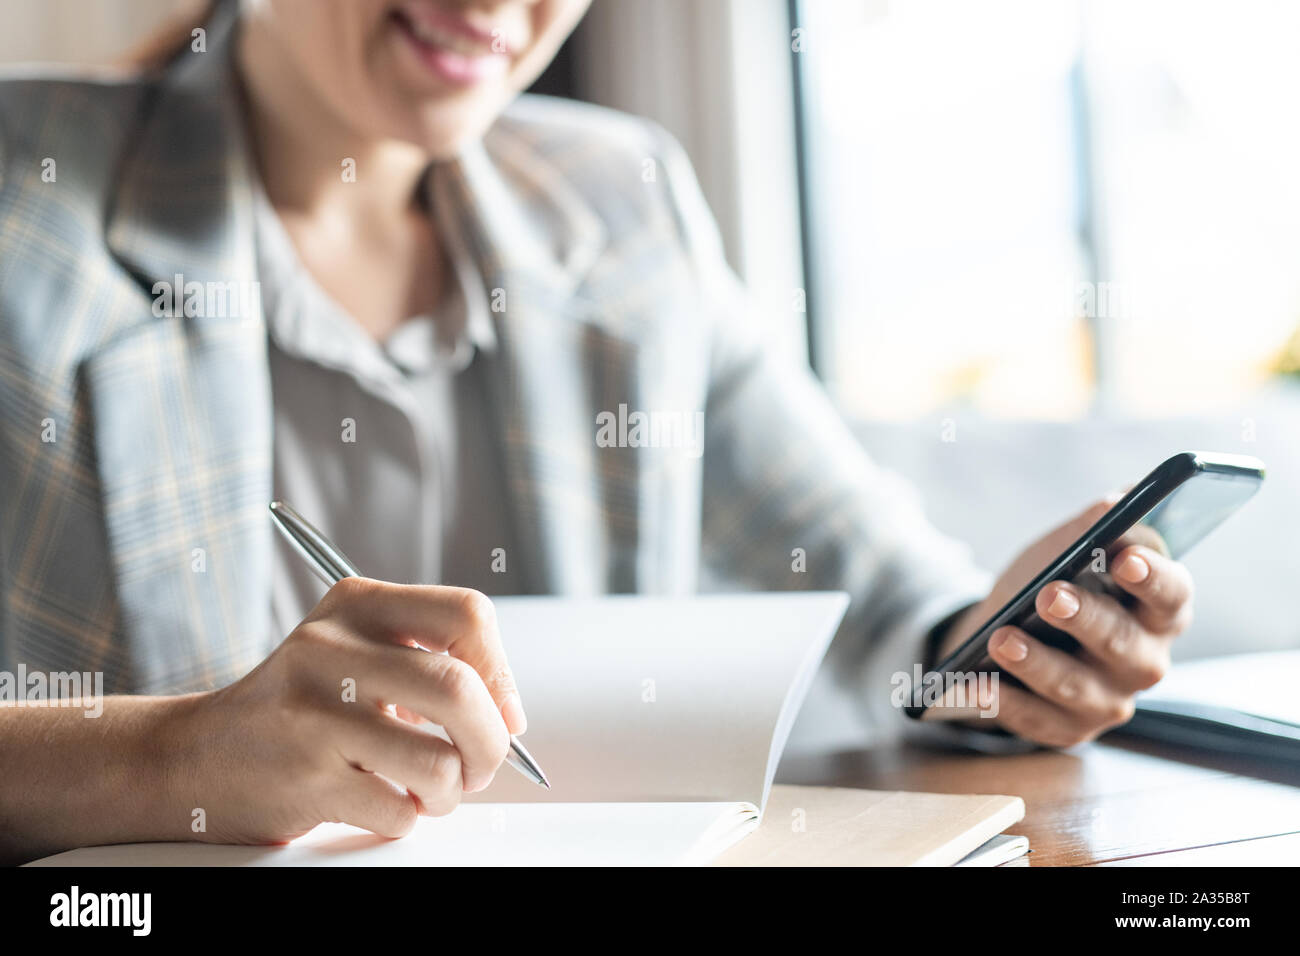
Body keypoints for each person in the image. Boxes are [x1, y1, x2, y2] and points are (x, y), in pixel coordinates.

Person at [0, 0, 1192, 864]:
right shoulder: (25, 198)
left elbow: (882, 586)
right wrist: (176, 757)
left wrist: (1004, 657)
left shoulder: (622, 203)